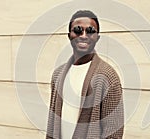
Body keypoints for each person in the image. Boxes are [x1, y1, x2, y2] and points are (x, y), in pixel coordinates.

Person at [46, 10, 124, 139]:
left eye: (90, 31)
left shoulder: (108, 76)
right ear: (69, 35)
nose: (83, 35)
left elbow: (113, 131)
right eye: (77, 30)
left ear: (97, 37)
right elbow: (52, 121)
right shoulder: (58, 75)